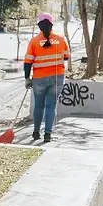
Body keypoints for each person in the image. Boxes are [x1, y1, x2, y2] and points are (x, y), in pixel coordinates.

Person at [24, 13, 71, 143]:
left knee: (38, 106)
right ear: (52, 24)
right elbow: (66, 57)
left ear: (39, 26)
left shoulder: (34, 41)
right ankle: (48, 134)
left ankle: (35, 132)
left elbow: (28, 62)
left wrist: (27, 78)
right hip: (57, 77)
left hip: (39, 78)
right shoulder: (61, 39)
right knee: (51, 106)